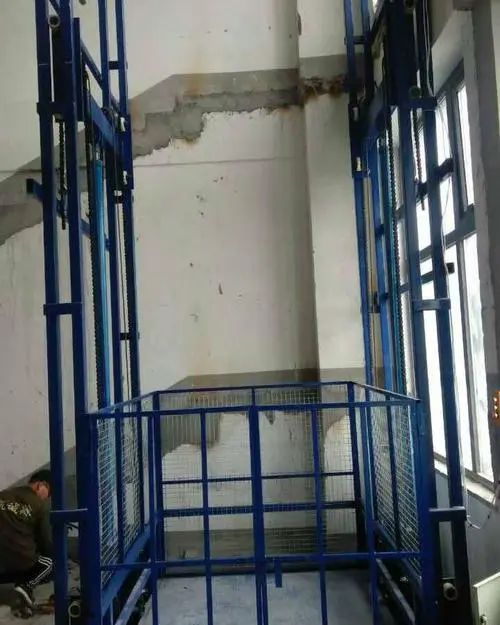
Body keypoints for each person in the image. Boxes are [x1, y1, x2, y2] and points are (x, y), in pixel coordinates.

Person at [0, 470, 53, 608]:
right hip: (20, 560)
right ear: (40, 485)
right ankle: (25, 587)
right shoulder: (39, 505)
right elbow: (44, 541)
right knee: (49, 563)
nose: (47, 498)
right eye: (49, 492)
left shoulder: (4, 494)